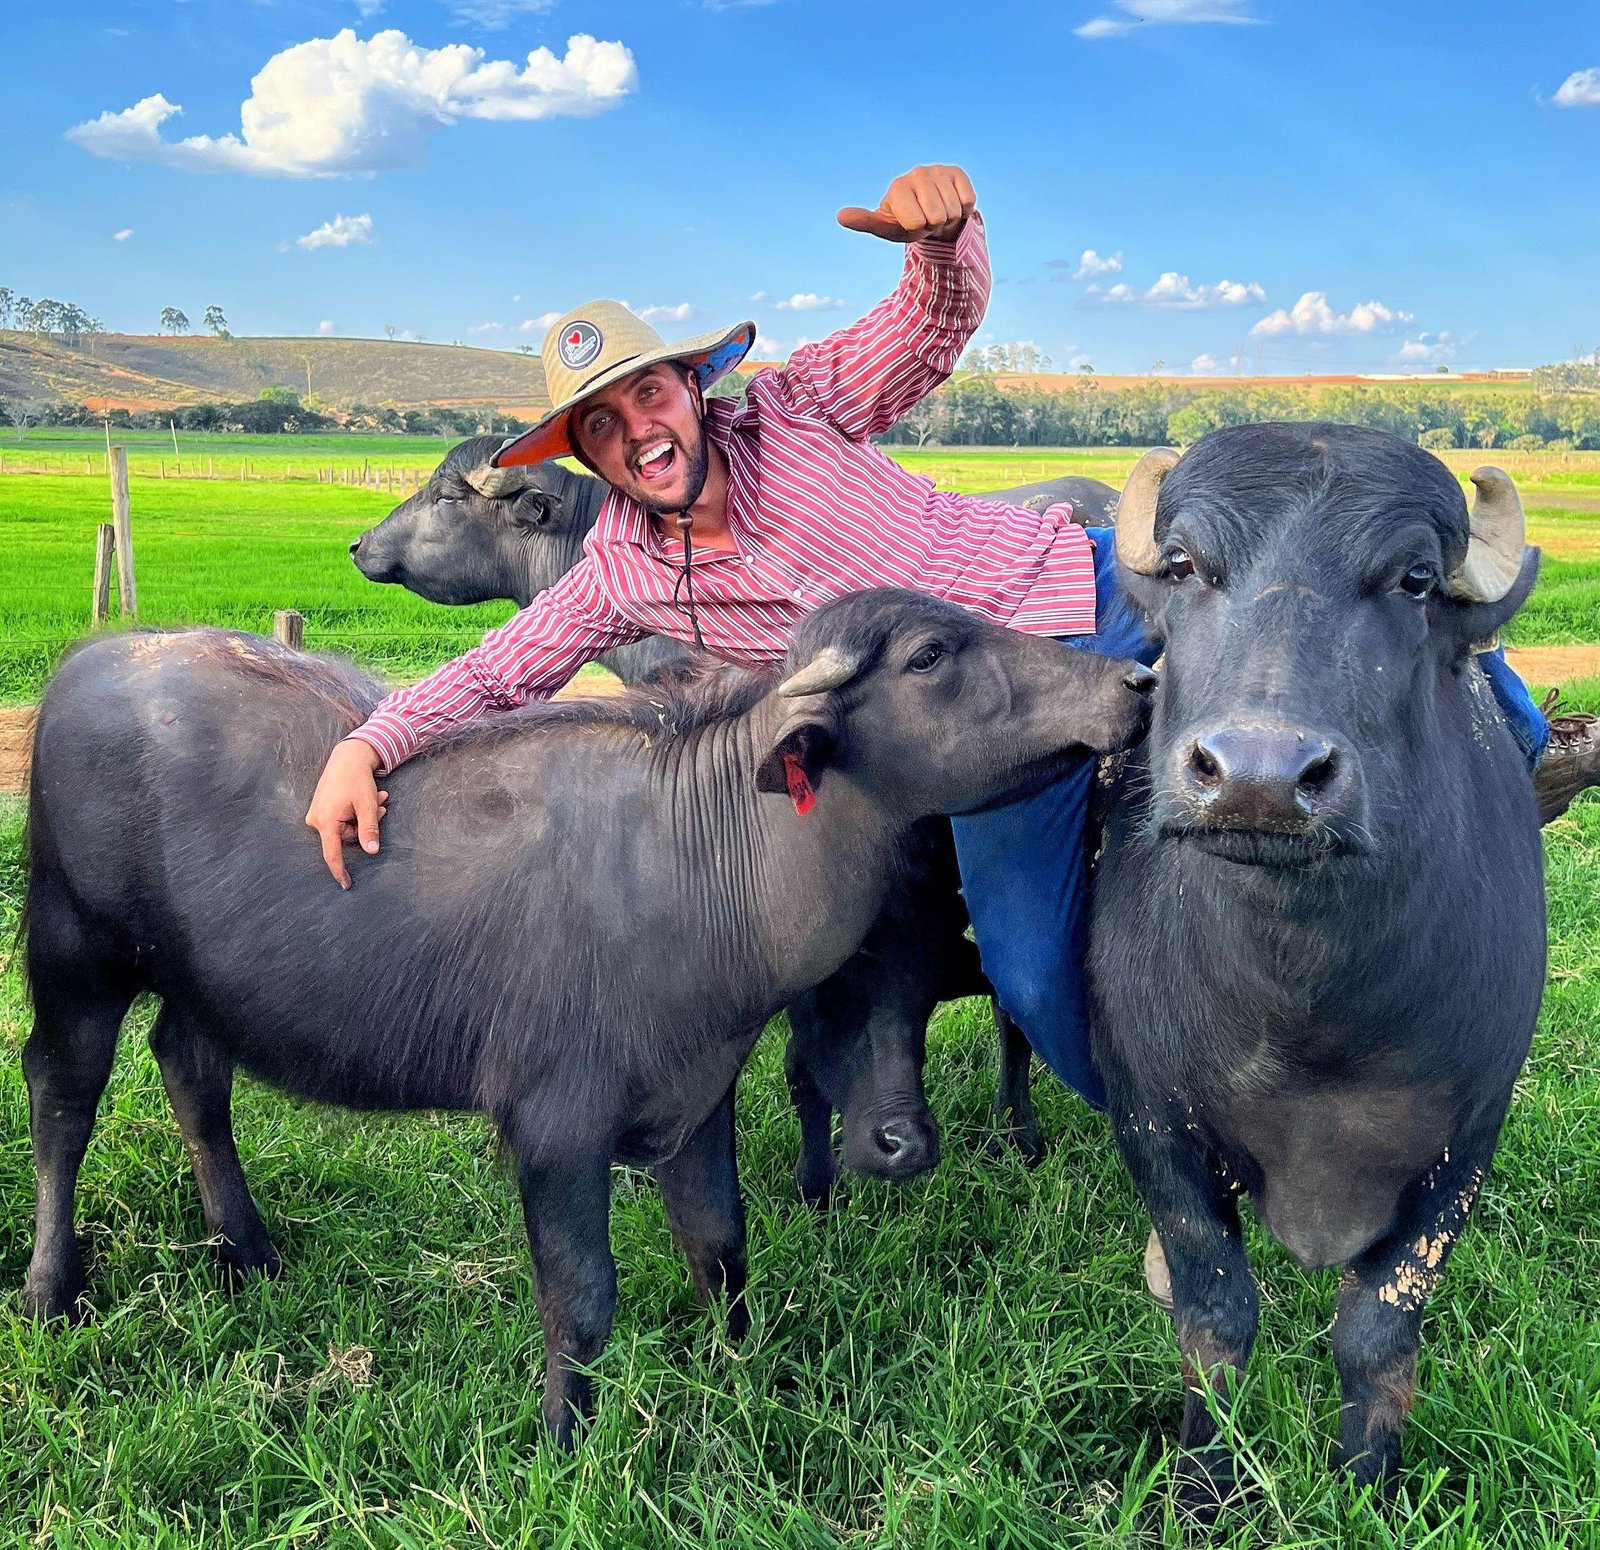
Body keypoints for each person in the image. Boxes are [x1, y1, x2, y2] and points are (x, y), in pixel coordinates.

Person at [307, 163, 1597, 1289]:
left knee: (1389, 649)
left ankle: (1526, 739)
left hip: (1100, 599)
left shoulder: (798, 411)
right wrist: (370, 742)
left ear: (691, 392)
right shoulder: (624, 574)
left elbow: (926, 331)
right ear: (583, 455)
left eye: (649, 396)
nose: (638, 429)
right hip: (995, 734)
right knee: (1035, 975)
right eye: (603, 422)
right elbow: (503, 665)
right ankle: (1186, 1152)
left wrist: (940, 238)